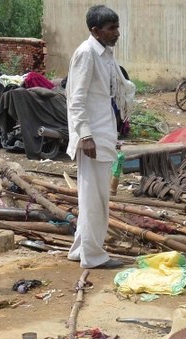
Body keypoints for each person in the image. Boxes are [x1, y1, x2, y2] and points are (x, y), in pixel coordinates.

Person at [65, 5, 134, 269]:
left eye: (117, 26)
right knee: (96, 199)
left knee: (92, 196)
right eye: (111, 28)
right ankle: (93, 257)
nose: (117, 32)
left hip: (103, 132)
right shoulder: (87, 53)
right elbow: (76, 98)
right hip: (92, 137)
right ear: (96, 31)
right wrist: (86, 136)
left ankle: (80, 249)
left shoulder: (104, 54)